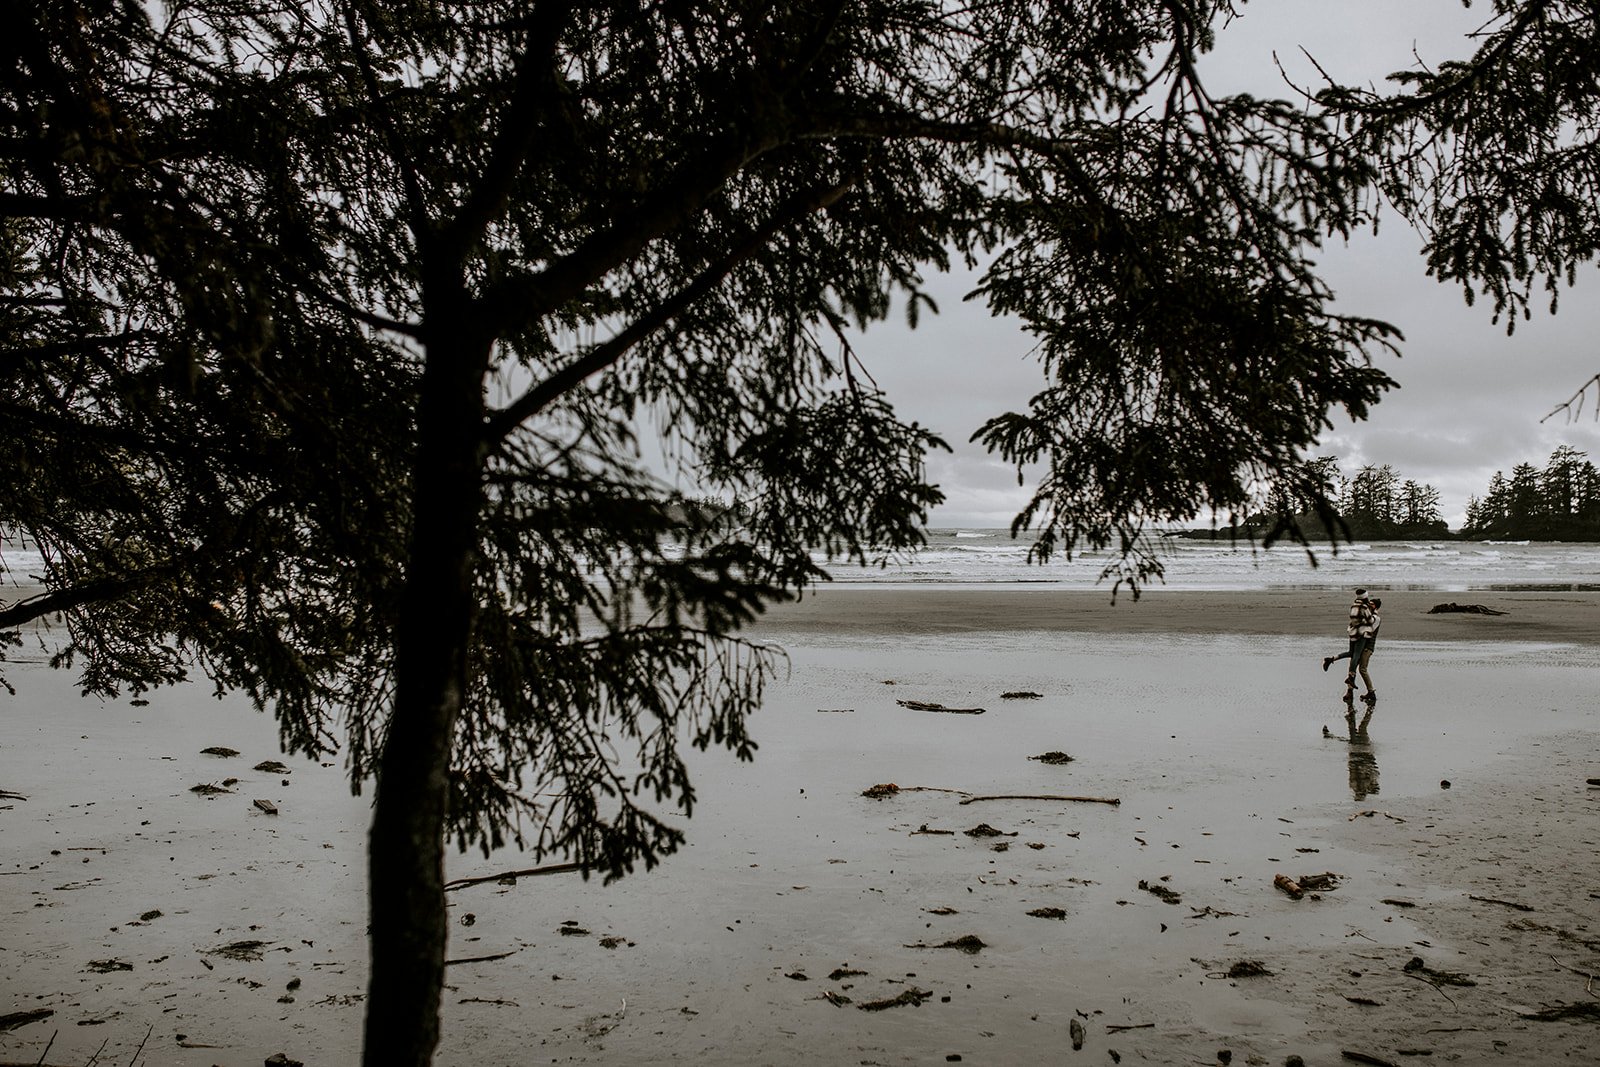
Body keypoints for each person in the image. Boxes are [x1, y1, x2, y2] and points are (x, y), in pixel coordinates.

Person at [1322, 588, 1373, 692]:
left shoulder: (1353, 605)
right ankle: (1351, 677)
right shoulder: (1364, 607)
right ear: (1365, 597)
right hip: (1361, 633)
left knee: (1351, 652)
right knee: (1356, 655)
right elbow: (1370, 620)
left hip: (1352, 632)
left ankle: (1331, 659)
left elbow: (1353, 618)